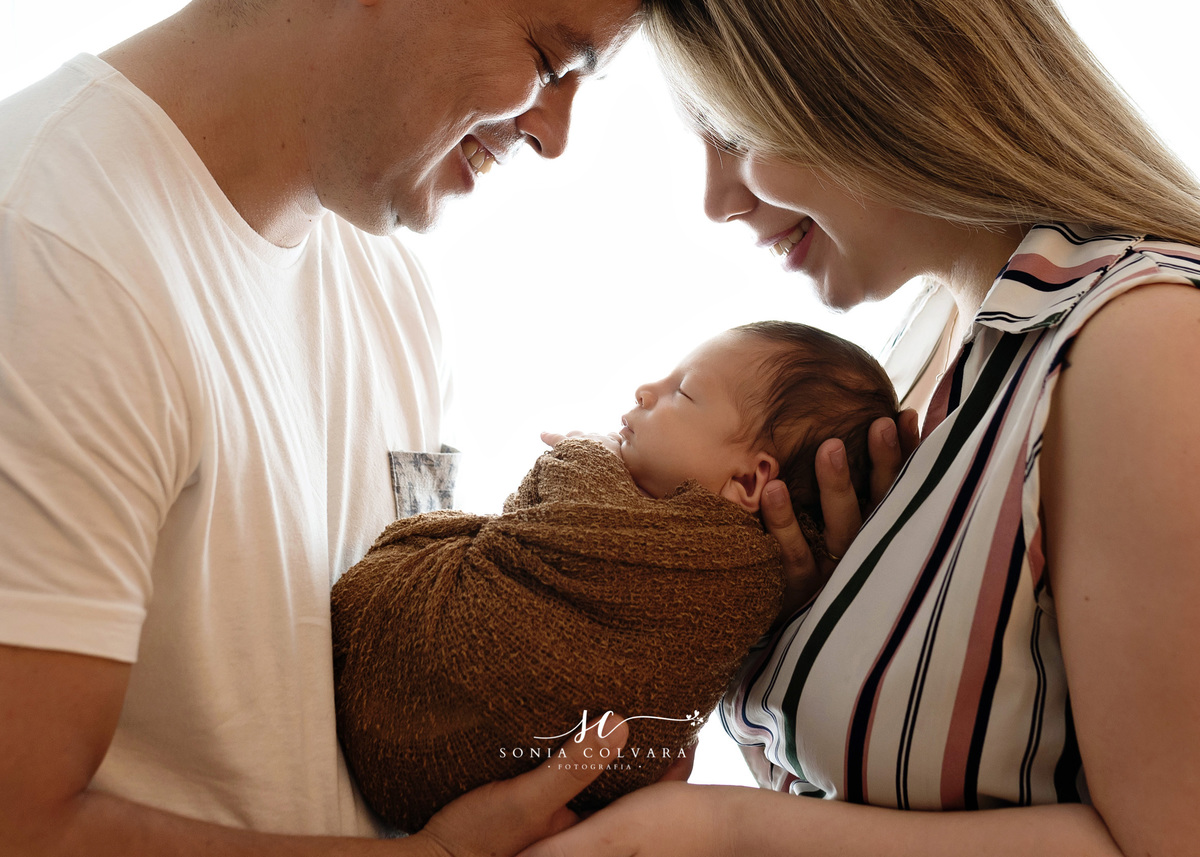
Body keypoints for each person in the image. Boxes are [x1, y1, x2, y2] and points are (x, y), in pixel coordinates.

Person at [518, 0, 1200, 855]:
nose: (715, 201)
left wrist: (719, 831)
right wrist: (804, 617)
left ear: (882, 74)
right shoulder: (928, 361)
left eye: (730, 129)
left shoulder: (1139, 339)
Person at [0, 0, 651, 853]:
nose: (553, 135)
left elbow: (379, 683)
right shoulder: (49, 250)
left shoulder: (392, 294)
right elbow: (21, 818)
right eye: (546, 59)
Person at [330, 320, 899, 832]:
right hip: (500, 795)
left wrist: (584, 451)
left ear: (750, 483)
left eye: (685, 391)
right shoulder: (767, 588)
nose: (645, 391)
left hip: (411, 706)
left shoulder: (714, 562)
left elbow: (571, 511)